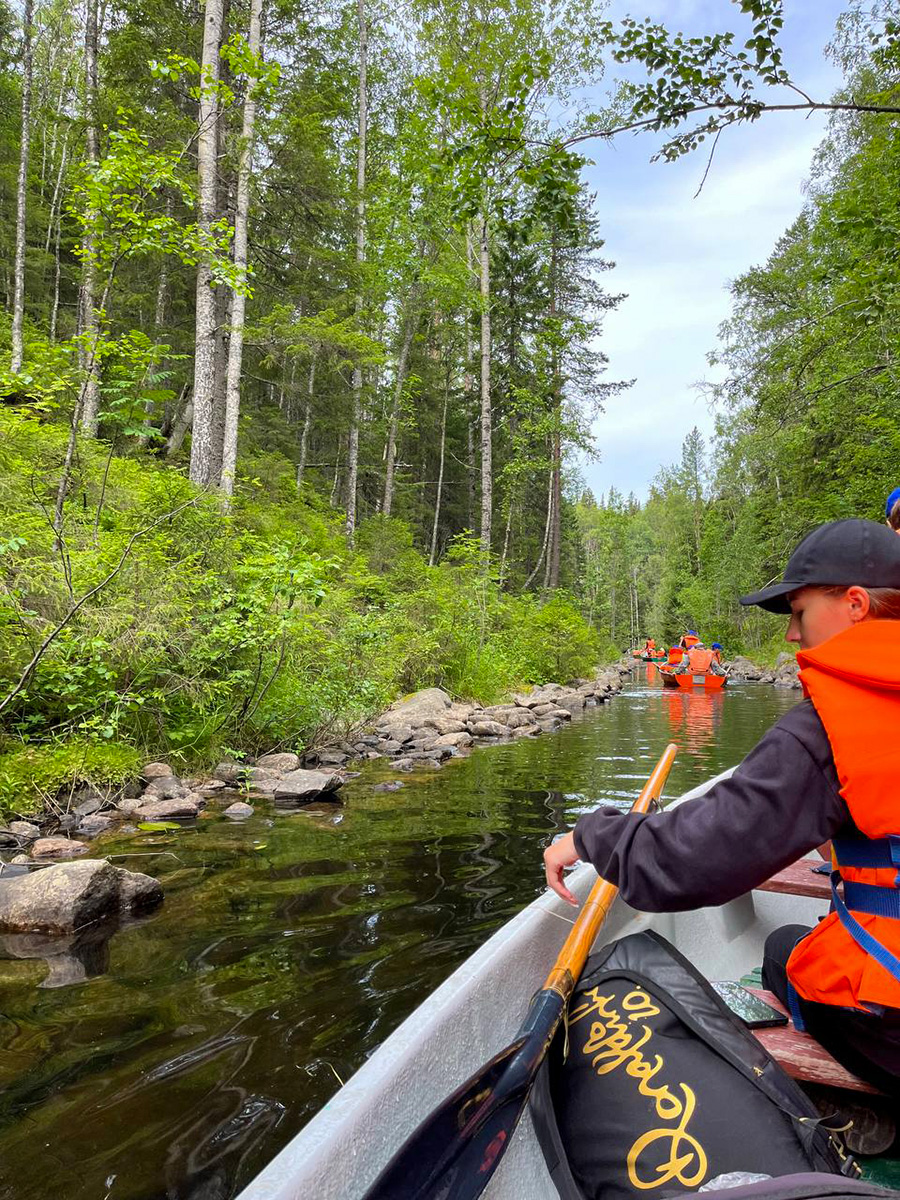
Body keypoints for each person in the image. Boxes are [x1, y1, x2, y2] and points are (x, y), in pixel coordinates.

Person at [543, 518, 900, 1095]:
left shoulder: (829, 731)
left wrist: (590, 837)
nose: (790, 634)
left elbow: (690, 862)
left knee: (787, 952)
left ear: (855, 604)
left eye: (799, 612)